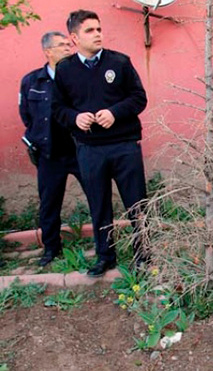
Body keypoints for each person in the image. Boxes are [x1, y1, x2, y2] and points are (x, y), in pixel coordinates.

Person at [52, 9, 148, 277]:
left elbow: (139, 98)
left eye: (98, 29)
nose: (97, 34)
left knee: (137, 203)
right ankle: (105, 257)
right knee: (99, 204)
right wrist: (75, 118)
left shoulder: (119, 63)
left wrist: (114, 112)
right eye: (89, 30)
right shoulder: (65, 69)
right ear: (74, 37)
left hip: (124, 145)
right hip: (89, 149)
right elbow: (58, 108)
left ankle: (144, 254)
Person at [19, 31, 85, 267]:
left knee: (97, 197)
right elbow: (26, 115)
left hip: (80, 150)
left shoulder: (79, 77)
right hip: (49, 154)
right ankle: (51, 249)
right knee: (49, 203)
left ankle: (105, 245)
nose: (69, 48)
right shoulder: (31, 81)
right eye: (62, 45)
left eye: (69, 44)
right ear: (48, 52)